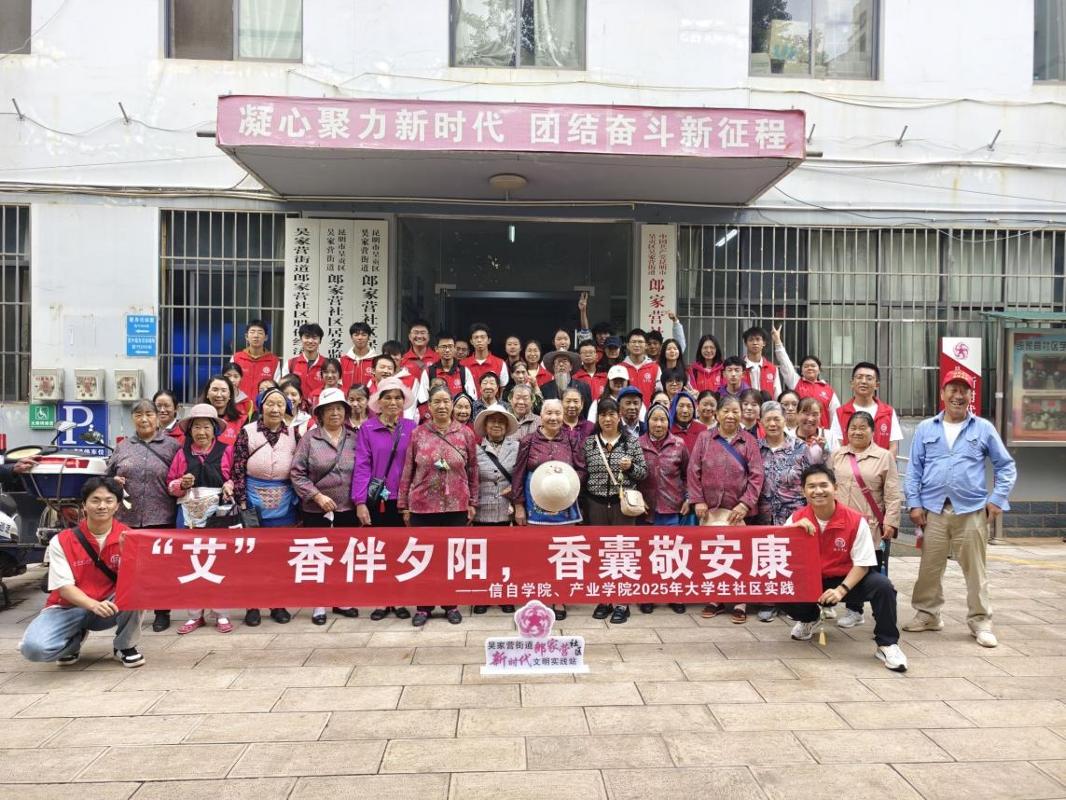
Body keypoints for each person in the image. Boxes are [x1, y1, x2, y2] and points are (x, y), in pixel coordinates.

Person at [903, 369, 1017, 648]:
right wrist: (914, 503)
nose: (958, 395)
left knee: (975, 571)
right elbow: (914, 469)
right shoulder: (926, 428)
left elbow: (1006, 466)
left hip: (971, 510)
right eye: (952, 389)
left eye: (963, 390)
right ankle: (928, 615)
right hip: (934, 510)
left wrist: (997, 500)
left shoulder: (983, 428)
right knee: (929, 568)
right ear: (942, 394)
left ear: (970, 395)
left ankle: (981, 621)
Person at [781, 466, 909, 672]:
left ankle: (887, 644)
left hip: (848, 579)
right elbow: (782, 559)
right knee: (781, 588)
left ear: (835, 488)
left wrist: (841, 590)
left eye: (823, 485)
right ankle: (809, 618)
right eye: (811, 486)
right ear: (803, 491)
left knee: (883, 586)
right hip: (813, 579)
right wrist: (791, 533)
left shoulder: (855, 520)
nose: (818, 491)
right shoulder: (795, 519)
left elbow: (863, 564)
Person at [18, 477, 145, 668]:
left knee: (138, 590)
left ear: (117, 505)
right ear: (84, 505)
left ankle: (125, 646)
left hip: (110, 605)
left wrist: (127, 555)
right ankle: (73, 641)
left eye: (109, 500)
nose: (102, 506)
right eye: (95, 500)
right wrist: (92, 604)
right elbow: (64, 588)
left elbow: (137, 580)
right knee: (33, 649)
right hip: (67, 607)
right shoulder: (62, 540)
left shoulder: (129, 537)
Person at [399, 385, 479, 627]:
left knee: (451, 558)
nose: (442, 406)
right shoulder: (418, 434)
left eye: (446, 401)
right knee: (424, 558)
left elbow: (473, 470)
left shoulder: (465, 433)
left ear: (452, 405)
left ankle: (450, 604)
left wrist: (473, 501)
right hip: (422, 506)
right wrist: (404, 504)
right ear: (429, 407)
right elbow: (408, 470)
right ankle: (423, 606)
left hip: (456, 506)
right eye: (437, 402)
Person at [688, 395, 764, 623]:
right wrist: (698, 500)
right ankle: (716, 598)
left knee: (741, 556)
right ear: (717, 414)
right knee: (713, 555)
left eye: (735, 411)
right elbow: (693, 470)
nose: (730, 415)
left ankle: (740, 601)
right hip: (710, 509)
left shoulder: (749, 441)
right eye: (726, 411)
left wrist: (745, 503)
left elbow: (757, 475)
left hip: (738, 511)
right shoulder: (705, 438)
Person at [107, 399, 181, 633]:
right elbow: (106, 478)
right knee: (130, 568)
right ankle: (128, 610)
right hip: (128, 518)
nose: (144, 419)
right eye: (139, 415)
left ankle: (162, 612)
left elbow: (180, 475)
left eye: (149, 414)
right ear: (133, 419)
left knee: (161, 568)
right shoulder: (123, 447)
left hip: (162, 516)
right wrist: (114, 482)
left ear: (158, 417)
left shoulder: (172, 446)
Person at [291, 387, 361, 625]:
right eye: (329, 409)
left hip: (348, 508)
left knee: (343, 556)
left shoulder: (354, 438)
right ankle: (318, 603)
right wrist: (317, 496)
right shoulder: (310, 439)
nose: (335, 413)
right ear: (320, 414)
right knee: (319, 557)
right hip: (316, 510)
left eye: (339, 409)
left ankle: (341, 600)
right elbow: (297, 473)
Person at [165, 404, 235, 634]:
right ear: (189, 430)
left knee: (219, 562)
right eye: (196, 427)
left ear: (215, 429)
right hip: (188, 516)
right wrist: (181, 484)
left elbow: (236, 476)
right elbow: (170, 484)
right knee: (192, 563)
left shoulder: (227, 450)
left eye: (206, 426)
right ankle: (195, 615)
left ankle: (221, 613)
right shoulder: (181, 454)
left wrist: (230, 485)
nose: (201, 432)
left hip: (218, 514)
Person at [830, 410, 902, 630]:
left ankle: (877, 614)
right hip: (841, 525)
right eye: (853, 428)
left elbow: (893, 493)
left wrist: (891, 521)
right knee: (845, 565)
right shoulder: (837, 455)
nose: (857, 432)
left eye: (863, 428)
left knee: (871, 569)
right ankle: (854, 609)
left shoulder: (884, 457)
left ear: (872, 431)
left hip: (870, 525)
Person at [232, 387, 298, 627]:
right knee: (253, 557)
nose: (275, 409)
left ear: (286, 408)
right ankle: (252, 605)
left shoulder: (294, 434)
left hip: (284, 503)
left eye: (280, 404)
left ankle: (277, 603)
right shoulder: (248, 432)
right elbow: (238, 468)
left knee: (279, 556)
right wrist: (241, 501)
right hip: (253, 500)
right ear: (261, 406)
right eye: (270, 403)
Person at [353, 377, 417, 623]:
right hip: (377, 500)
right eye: (387, 397)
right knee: (379, 550)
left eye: (398, 397)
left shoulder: (411, 427)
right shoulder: (368, 429)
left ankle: (399, 599)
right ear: (378, 402)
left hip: (404, 500)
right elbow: (362, 465)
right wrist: (360, 502)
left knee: (401, 550)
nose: (393, 402)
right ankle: (382, 599)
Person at [584, 398, 648, 624]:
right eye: (603, 415)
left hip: (623, 506)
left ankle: (622, 602)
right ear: (598, 418)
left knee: (623, 552)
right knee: (600, 553)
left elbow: (643, 473)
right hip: (596, 504)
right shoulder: (589, 443)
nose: (607, 419)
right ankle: (604, 599)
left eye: (611, 414)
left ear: (618, 416)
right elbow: (583, 473)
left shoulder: (631, 442)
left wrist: (630, 467)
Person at [755, 400, 810, 622]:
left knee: (792, 559)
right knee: (767, 557)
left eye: (777, 419)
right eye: (768, 419)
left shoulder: (800, 447)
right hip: (764, 514)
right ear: (760, 422)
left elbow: (811, 479)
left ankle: (792, 603)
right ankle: (768, 602)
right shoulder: (755, 448)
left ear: (785, 420)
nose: (773, 424)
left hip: (793, 514)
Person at [639, 403, 690, 615]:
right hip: (645, 509)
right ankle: (648, 595)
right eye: (654, 419)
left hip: (672, 507)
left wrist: (688, 498)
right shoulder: (638, 444)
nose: (658, 424)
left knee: (672, 553)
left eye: (662, 419)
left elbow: (688, 475)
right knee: (647, 554)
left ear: (668, 422)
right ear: (647, 421)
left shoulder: (679, 444)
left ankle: (674, 594)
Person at [471, 404, 520, 614]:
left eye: (501, 422)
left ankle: (505, 594)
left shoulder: (516, 447)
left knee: (506, 557)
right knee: (483, 557)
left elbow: (521, 476)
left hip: (506, 510)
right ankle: (483, 596)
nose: (497, 425)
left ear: (507, 426)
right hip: (482, 509)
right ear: (485, 425)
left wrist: (515, 492)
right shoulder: (475, 449)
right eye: (493, 421)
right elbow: (470, 478)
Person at [771, 323, 840, 429]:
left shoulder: (828, 390)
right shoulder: (796, 383)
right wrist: (778, 342)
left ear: (819, 370)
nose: (810, 368)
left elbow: (835, 415)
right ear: (802, 371)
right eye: (806, 366)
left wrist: (832, 435)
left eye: (813, 366)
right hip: (798, 432)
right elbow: (785, 364)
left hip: (821, 434)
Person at [828, 362, 903, 457]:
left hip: (881, 465)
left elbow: (893, 447)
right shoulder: (841, 412)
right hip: (849, 465)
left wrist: (881, 464)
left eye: (869, 378)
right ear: (852, 383)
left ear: (877, 385)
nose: (863, 381)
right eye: (859, 377)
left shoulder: (888, 412)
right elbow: (837, 446)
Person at [419, 332, 476, 406]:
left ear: (454, 348)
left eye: (450, 346)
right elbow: (423, 400)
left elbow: (472, 399)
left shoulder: (464, 371)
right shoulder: (429, 372)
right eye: (443, 347)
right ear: (436, 349)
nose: (447, 350)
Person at [231, 318, 281, 400]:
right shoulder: (236, 358)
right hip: (239, 404)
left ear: (266, 337)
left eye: (260, 332)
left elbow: (276, 388)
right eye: (252, 332)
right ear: (246, 337)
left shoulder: (274, 361)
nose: (256, 336)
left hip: (263, 405)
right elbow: (229, 383)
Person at [284, 322, 327, 401]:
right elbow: (284, 389)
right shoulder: (290, 364)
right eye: (307, 337)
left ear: (320, 340)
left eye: (314, 338)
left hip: (320, 407)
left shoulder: (327, 364)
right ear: (301, 339)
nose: (310, 341)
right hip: (296, 407)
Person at [198, 374, 245, 446]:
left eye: (223, 390)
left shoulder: (242, 421)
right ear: (207, 394)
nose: (219, 395)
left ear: (230, 395)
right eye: (215, 390)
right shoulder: (196, 418)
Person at [620, 328, 661, 405]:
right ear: (627, 345)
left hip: (648, 411)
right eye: (633, 342)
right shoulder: (620, 368)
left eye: (640, 342)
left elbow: (659, 393)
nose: (637, 345)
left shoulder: (655, 368)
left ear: (646, 346)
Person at [742, 325, 782, 399]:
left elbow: (777, 394)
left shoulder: (772, 368)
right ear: (745, 343)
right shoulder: (739, 367)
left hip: (767, 405)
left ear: (764, 343)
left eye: (758, 339)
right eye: (751, 340)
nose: (755, 343)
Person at [340, 321, 378, 392]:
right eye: (356, 335)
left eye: (364, 335)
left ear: (369, 337)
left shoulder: (377, 361)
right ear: (351, 337)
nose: (360, 338)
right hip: (347, 398)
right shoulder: (342, 361)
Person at [796, 397, 829, 464]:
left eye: (815, 415)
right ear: (797, 414)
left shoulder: (830, 436)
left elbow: (835, 464)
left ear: (820, 416)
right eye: (806, 414)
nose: (810, 419)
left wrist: (824, 450)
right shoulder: (788, 437)